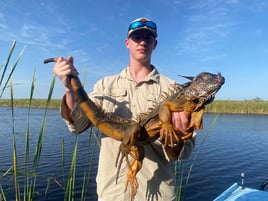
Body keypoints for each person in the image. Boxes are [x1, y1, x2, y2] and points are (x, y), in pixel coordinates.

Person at [53, 17, 196, 201]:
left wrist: (180, 136)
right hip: (112, 193)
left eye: (148, 38)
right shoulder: (106, 85)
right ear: (127, 43)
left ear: (155, 44)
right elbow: (78, 124)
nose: (142, 42)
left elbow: (185, 152)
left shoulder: (173, 91)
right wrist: (69, 86)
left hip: (157, 193)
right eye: (137, 37)